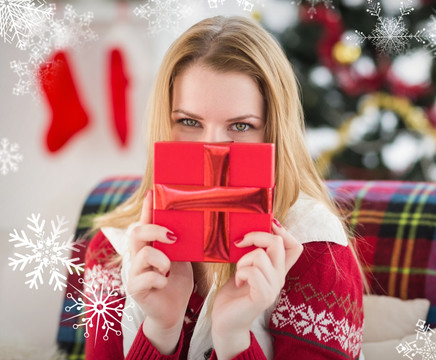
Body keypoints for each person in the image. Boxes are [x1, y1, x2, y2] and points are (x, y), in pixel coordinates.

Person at [84, 15, 364, 360]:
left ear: (272, 133)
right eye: (189, 122)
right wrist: (160, 330)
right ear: (164, 125)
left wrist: (234, 338)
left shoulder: (317, 252)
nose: (212, 148)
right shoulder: (112, 252)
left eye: (241, 126)